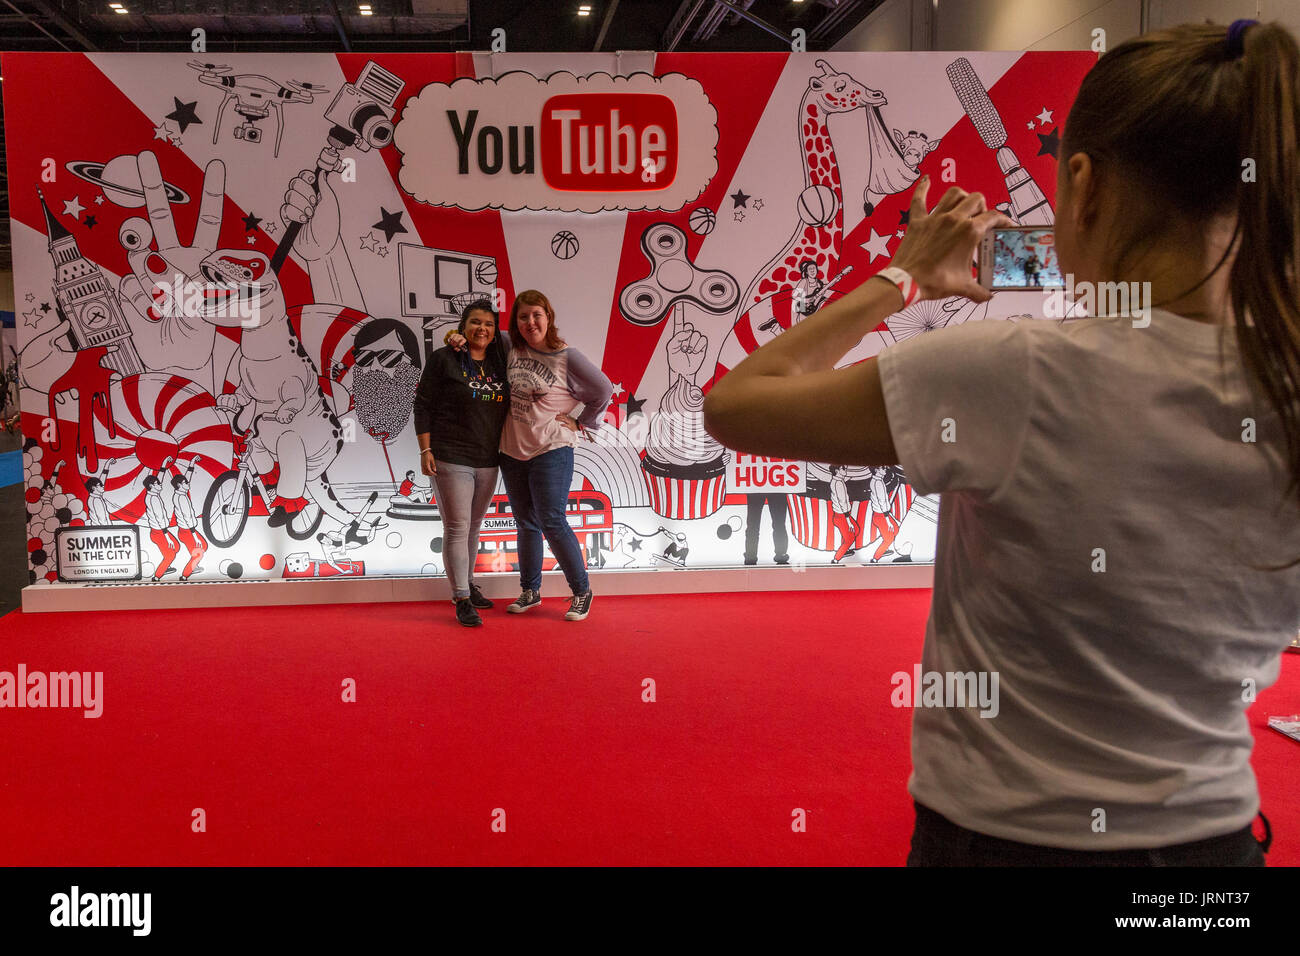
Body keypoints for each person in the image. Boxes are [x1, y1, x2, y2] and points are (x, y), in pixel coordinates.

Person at [703, 20, 1300, 866]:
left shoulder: (1015, 372)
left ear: (1083, 185)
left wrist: (903, 273)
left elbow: (737, 403)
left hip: (1009, 843)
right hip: (1215, 848)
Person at [449, 290, 613, 621]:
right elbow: (480, 331)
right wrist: (453, 335)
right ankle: (530, 590)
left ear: (548, 317)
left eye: (536, 315)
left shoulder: (567, 355)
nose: (530, 322)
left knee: (551, 519)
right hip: (512, 450)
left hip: (551, 448)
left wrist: (582, 422)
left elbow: (604, 390)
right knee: (525, 522)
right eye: (523, 317)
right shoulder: (511, 346)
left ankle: (582, 591)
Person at [414, 300, 510, 627]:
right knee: (456, 527)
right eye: (474, 323)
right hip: (449, 456)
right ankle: (461, 598)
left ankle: (468, 583)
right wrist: (425, 450)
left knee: (473, 525)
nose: (481, 329)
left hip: (488, 459)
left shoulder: (500, 361)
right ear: (462, 326)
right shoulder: (445, 359)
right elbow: (423, 405)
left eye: (488, 324)